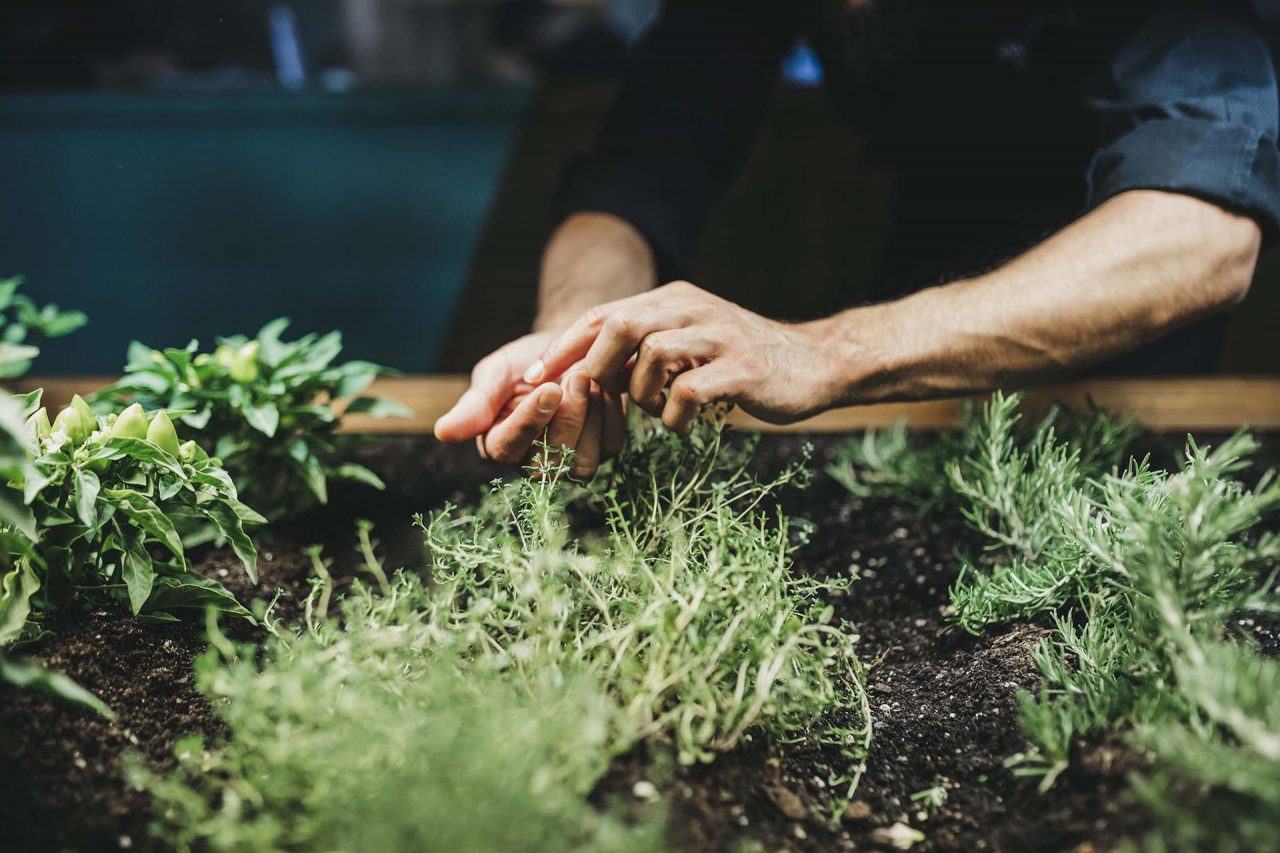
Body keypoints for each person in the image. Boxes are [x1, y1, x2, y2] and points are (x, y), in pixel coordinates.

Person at [435, 0, 1280, 478]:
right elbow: (639, 172)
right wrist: (574, 338)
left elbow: (1198, 231)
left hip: (1120, 306)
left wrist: (824, 351)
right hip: (927, 280)